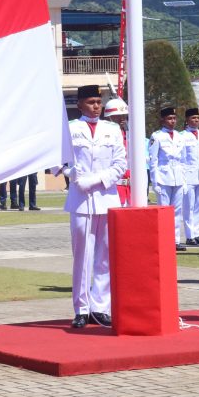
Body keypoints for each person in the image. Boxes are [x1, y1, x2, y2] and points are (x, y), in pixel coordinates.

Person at [61, 85, 127, 328]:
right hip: (80, 200)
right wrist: (72, 172)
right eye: (91, 102)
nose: (96, 106)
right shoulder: (70, 129)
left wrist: (98, 179)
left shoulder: (112, 129)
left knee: (105, 257)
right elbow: (58, 164)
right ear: (79, 105)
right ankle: (82, 308)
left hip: (106, 197)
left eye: (98, 101)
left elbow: (121, 163)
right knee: (82, 257)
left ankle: (101, 307)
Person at [148, 107, 186, 251]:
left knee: (177, 211)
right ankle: (164, 239)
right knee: (164, 211)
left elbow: (183, 159)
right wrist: (155, 181)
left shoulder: (179, 136)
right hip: (163, 178)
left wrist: (184, 180)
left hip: (178, 177)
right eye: (169, 118)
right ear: (163, 120)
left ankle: (175, 240)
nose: (172, 121)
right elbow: (153, 161)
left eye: (174, 118)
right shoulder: (156, 136)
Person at [180, 108, 199, 246]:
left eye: (197, 118)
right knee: (188, 207)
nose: (196, 120)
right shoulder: (182, 136)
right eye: (193, 118)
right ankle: (190, 235)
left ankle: (198, 233)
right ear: (187, 120)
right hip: (188, 176)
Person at [102, 97, 131, 206]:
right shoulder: (105, 134)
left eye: (124, 116)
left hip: (128, 186)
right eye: (119, 116)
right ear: (111, 117)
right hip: (113, 185)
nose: (122, 119)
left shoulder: (128, 134)